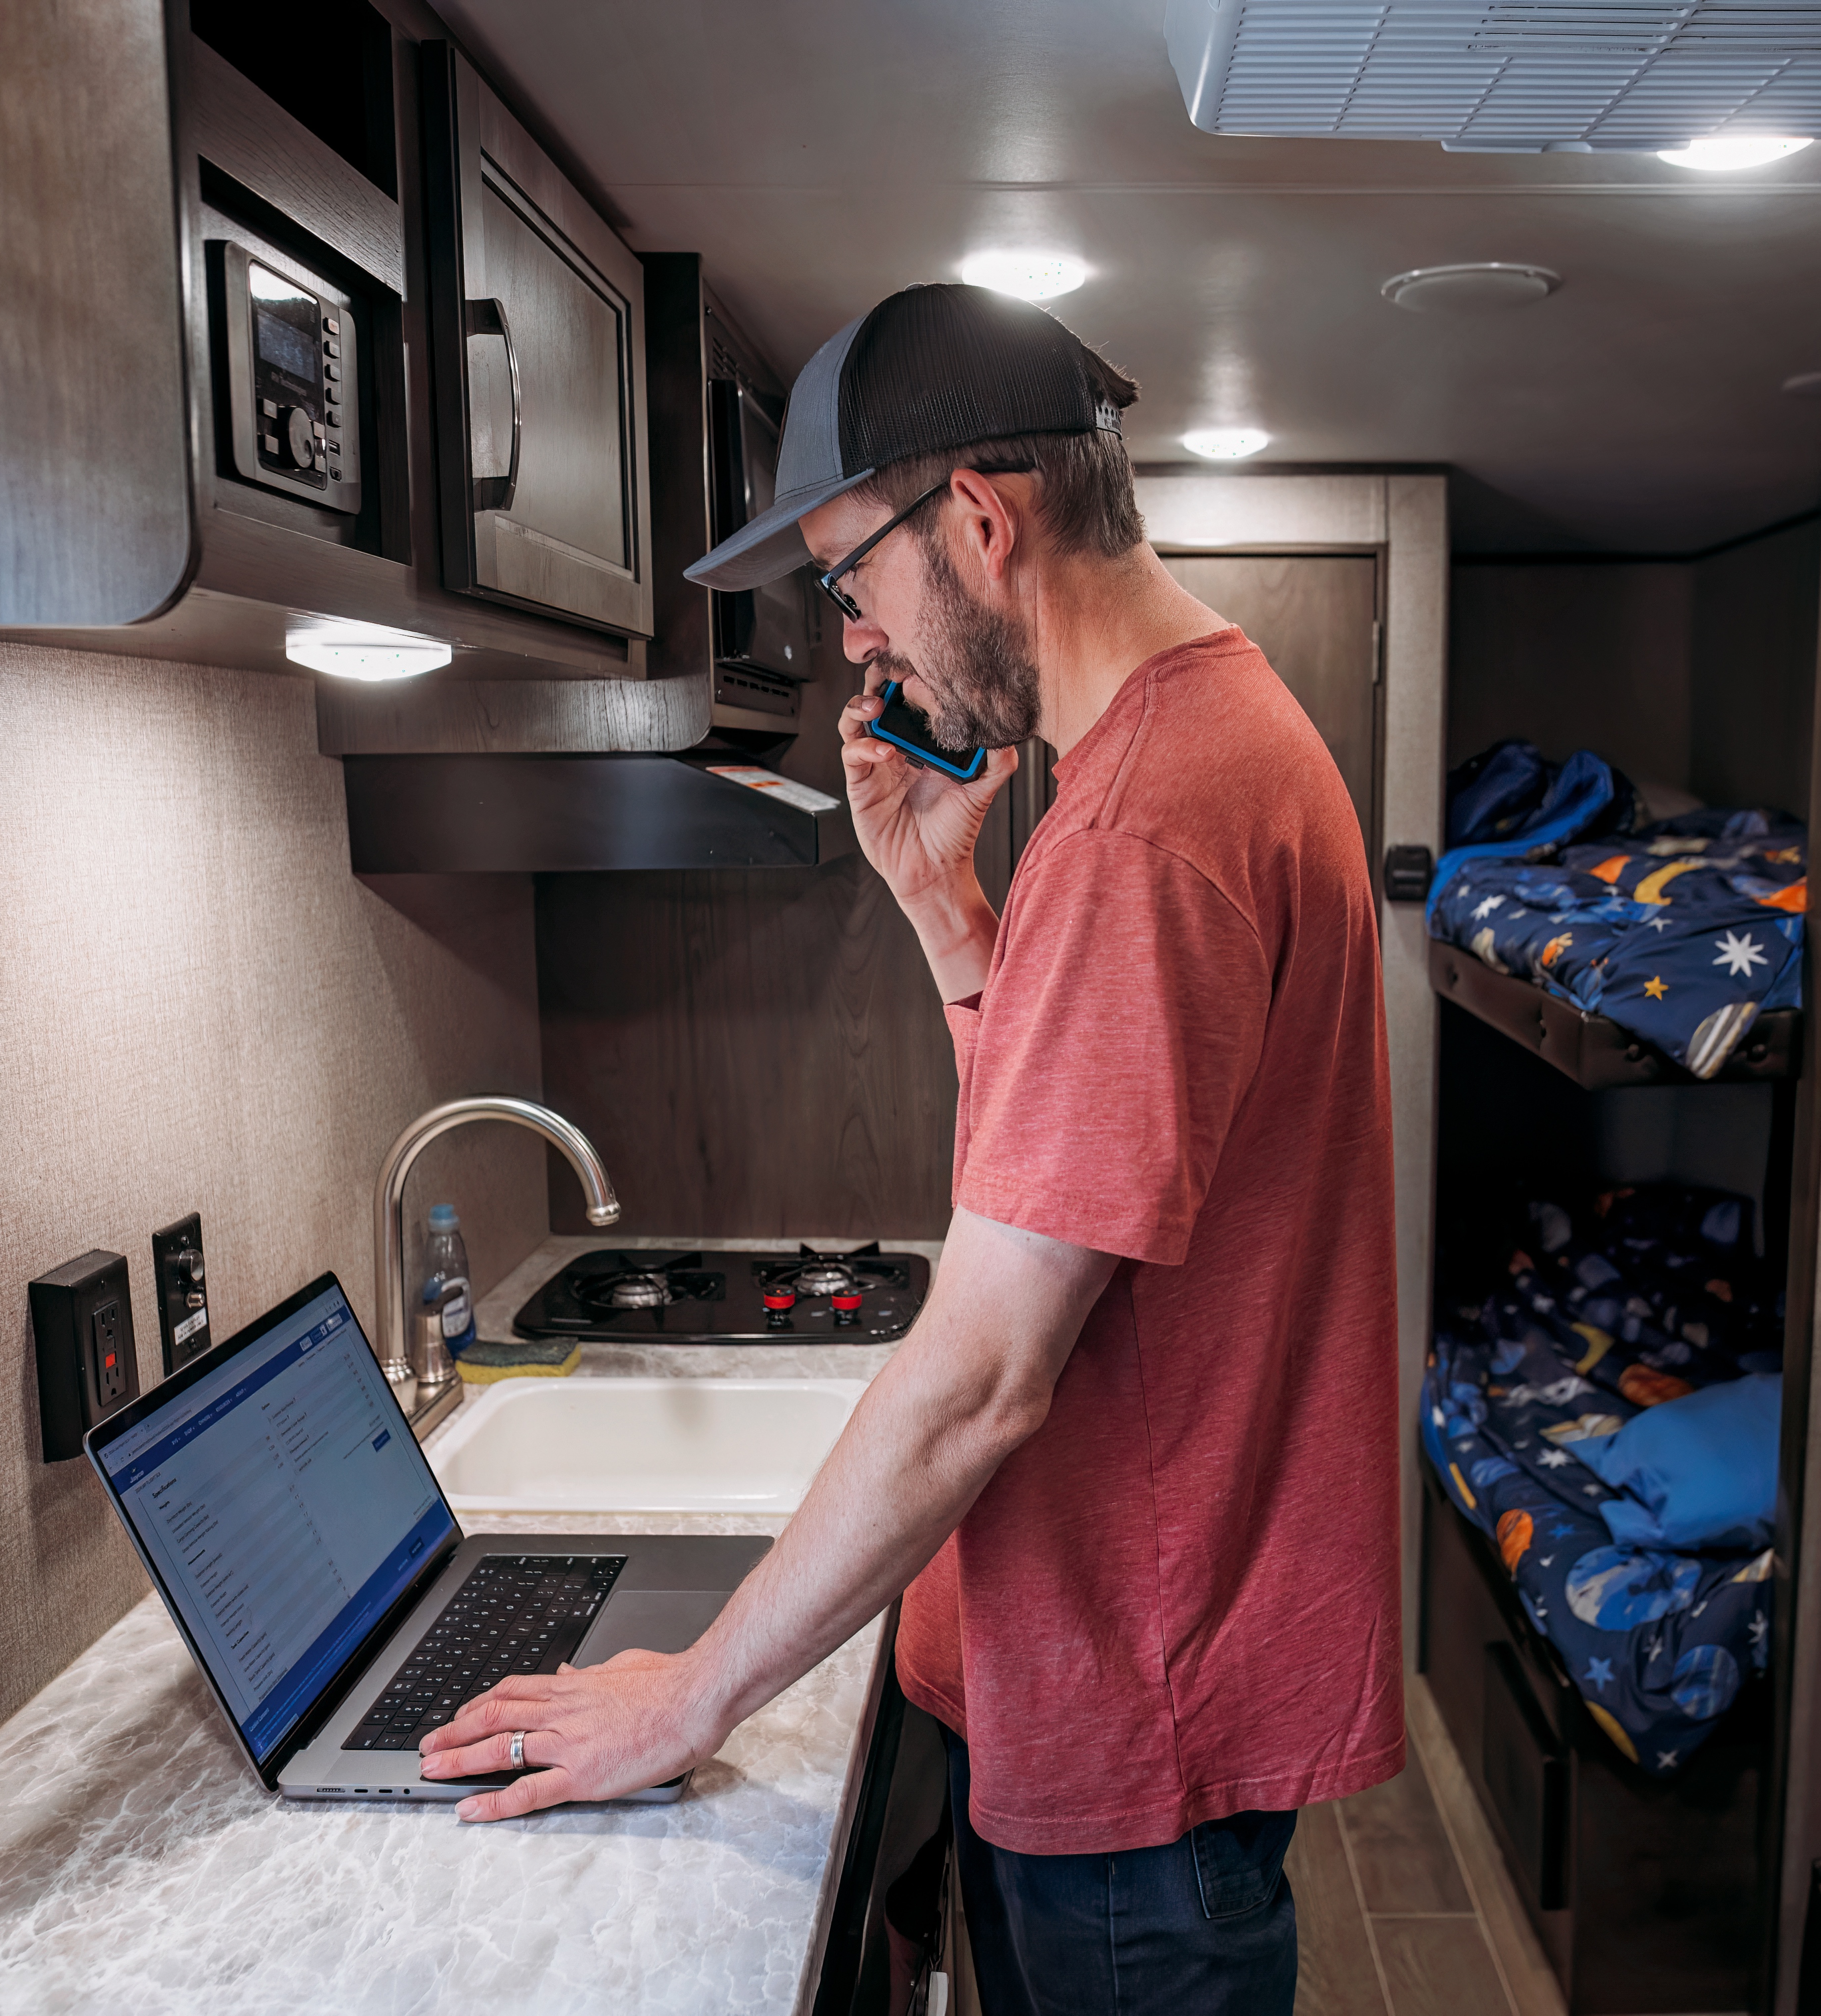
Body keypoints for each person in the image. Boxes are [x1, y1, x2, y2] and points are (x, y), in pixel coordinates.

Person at [421, 282, 1403, 2013]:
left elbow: (986, 1375)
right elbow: (1099, 1174)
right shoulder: (1191, 754)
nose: (856, 641)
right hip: (1136, 1688)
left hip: (1130, 1729)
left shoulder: (1144, 826)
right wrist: (954, 921)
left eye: (849, 577)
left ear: (977, 519)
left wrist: (691, 1693)